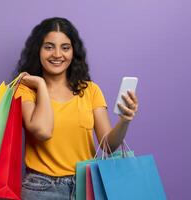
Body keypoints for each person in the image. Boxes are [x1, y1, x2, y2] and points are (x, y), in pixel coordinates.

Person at [13, 17, 139, 200]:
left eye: (65, 47)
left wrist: (125, 120)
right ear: (37, 51)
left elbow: (107, 146)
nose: (57, 54)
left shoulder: (90, 90)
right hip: (41, 189)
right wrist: (40, 84)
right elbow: (42, 130)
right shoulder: (26, 90)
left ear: (73, 52)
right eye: (49, 47)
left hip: (86, 185)